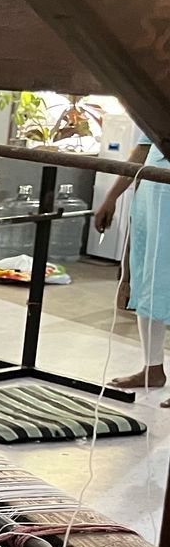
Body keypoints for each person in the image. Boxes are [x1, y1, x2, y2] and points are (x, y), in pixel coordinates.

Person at [95, 141, 168, 397]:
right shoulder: (156, 101)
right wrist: (111, 196)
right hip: (151, 197)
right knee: (148, 281)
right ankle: (152, 367)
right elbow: (141, 150)